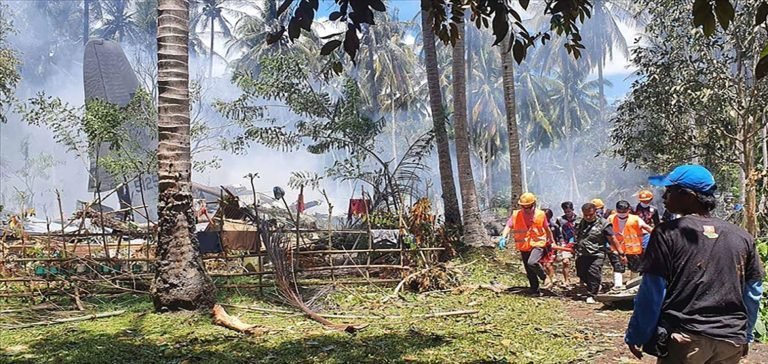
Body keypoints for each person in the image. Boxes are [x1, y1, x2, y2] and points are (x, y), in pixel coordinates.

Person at [625, 165, 765, 363]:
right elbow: (753, 293)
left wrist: (638, 333)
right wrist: (746, 335)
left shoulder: (667, 233)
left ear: (688, 196)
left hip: (686, 338)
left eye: (670, 191)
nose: (665, 197)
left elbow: (652, 291)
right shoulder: (742, 237)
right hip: (730, 341)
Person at [498, 192, 555, 296]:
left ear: (534, 204)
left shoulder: (540, 214)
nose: (527, 209)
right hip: (524, 245)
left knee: (532, 262)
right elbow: (508, 226)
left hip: (537, 243)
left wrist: (551, 241)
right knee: (529, 270)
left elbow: (547, 229)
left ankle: (545, 277)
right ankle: (535, 290)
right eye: (524, 207)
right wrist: (503, 237)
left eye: (529, 207)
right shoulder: (516, 215)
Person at [573, 202, 618, 304]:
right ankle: (595, 286)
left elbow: (612, 238)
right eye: (586, 215)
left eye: (590, 214)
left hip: (597, 253)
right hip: (582, 253)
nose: (588, 217)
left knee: (593, 273)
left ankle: (592, 294)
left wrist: (619, 252)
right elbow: (577, 235)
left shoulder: (604, 224)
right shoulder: (579, 222)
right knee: (581, 273)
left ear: (595, 212)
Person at [609, 200, 653, 288]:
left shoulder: (635, 219)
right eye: (619, 211)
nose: (622, 214)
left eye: (624, 212)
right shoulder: (611, 218)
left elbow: (647, 228)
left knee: (635, 268)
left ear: (628, 210)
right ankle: (618, 286)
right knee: (618, 266)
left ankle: (633, 285)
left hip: (633, 248)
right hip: (617, 248)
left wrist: (658, 235)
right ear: (616, 210)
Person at [554, 201, 579, 285]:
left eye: (569, 211)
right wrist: (560, 242)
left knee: (580, 262)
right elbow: (557, 232)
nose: (568, 213)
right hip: (565, 243)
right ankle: (566, 280)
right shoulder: (560, 220)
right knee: (565, 261)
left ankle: (582, 280)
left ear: (572, 209)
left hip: (577, 243)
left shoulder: (579, 219)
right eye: (565, 212)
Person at [540, 208, 560, 288]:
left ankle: (552, 279)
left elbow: (559, 237)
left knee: (548, 264)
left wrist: (557, 247)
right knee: (541, 264)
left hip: (550, 248)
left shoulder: (554, 226)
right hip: (540, 247)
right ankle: (547, 278)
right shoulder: (538, 225)